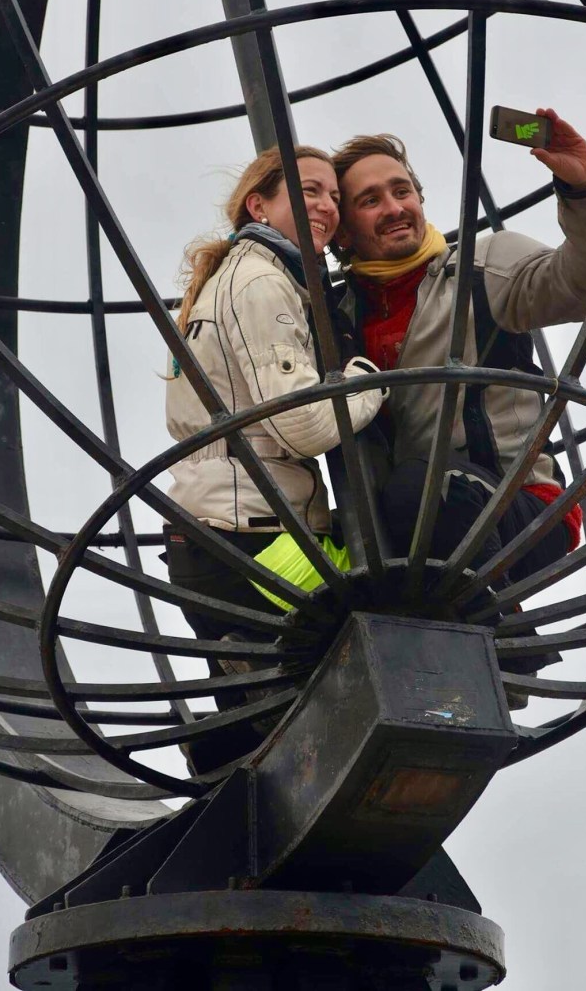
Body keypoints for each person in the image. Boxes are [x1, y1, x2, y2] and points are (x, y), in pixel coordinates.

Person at [332, 109, 586, 690]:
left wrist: (585, 190)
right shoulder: (337, 318)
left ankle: (499, 639)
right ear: (342, 231)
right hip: (410, 532)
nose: (394, 207)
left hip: (520, 509)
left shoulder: (482, 264)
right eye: (370, 200)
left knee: (422, 487)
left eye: (402, 191)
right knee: (345, 552)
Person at [164, 145, 383, 772]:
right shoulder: (262, 282)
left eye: (334, 196)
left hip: (207, 538)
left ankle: (225, 737)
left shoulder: (232, 278)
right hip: (254, 539)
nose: (328, 206)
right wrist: (369, 380)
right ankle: (243, 692)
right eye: (309, 191)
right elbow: (304, 425)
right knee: (364, 632)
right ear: (257, 205)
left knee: (269, 743)